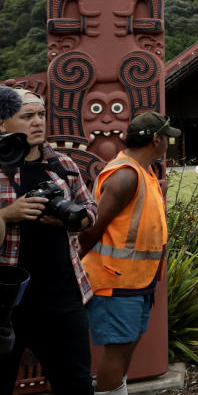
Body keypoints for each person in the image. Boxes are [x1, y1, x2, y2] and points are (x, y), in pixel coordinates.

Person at [0, 87, 97, 395]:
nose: (38, 122)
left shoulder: (63, 165)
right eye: (27, 116)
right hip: (6, 305)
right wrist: (7, 214)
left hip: (63, 297)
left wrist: (73, 218)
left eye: (41, 115)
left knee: (76, 384)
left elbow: (91, 209)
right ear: (3, 123)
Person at [79, 111, 175, 395]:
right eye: (168, 137)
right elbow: (92, 230)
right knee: (118, 350)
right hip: (115, 279)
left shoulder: (140, 171)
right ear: (156, 140)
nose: (170, 143)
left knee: (127, 345)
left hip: (135, 280)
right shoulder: (125, 175)